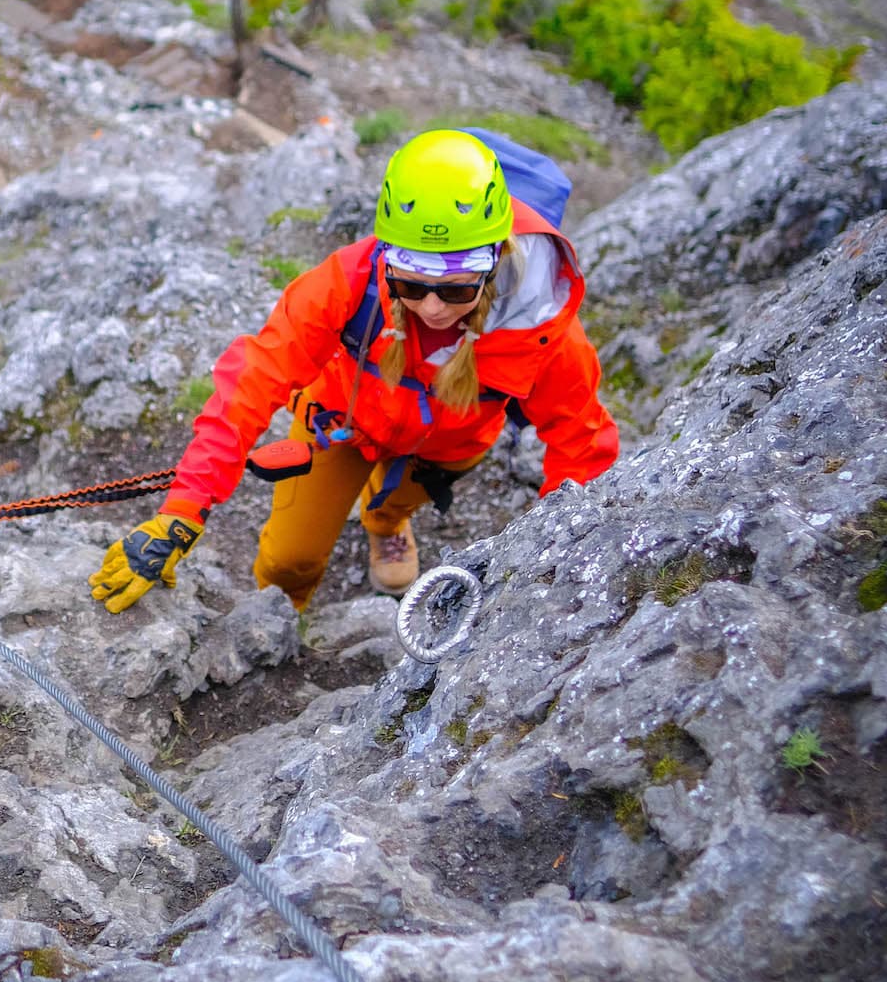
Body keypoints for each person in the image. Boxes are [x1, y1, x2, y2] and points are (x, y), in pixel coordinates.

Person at [90, 128, 618, 618]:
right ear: (388, 261)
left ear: (495, 260)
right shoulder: (350, 280)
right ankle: (283, 621)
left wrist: (555, 560)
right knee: (285, 564)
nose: (433, 309)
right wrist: (185, 506)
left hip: (448, 447)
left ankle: (385, 523)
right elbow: (254, 377)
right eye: (412, 286)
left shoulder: (540, 324)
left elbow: (580, 442)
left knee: (391, 505)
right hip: (342, 423)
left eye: (456, 289)